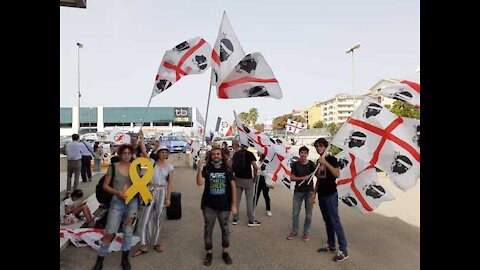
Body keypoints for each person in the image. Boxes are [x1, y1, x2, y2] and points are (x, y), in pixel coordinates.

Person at [92, 144, 138, 270]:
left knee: (128, 232)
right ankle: (100, 260)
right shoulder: (113, 167)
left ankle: (125, 259)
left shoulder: (135, 167)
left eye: (129, 153)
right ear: (120, 154)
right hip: (117, 202)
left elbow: (141, 183)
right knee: (109, 232)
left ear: (132, 154)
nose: (127, 155)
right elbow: (105, 186)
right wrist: (117, 193)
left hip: (132, 203)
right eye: (124, 153)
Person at [132, 132, 174, 256]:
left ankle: (156, 242)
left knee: (159, 218)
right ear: (158, 153)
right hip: (149, 192)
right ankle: (143, 244)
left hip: (162, 192)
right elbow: (144, 151)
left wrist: (168, 198)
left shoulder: (170, 167)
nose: (164, 154)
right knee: (145, 218)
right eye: (162, 152)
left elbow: (170, 183)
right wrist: (142, 138)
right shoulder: (151, 163)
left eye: (166, 152)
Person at [196, 147, 237, 266]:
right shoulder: (207, 169)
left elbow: (233, 186)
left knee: (225, 229)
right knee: (208, 229)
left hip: (224, 206)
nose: (216, 156)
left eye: (218, 154)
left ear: (221, 156)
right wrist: (199, 168)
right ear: (210, 156)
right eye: (213, 154)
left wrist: (234, 205)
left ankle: (225, 252)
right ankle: (209, 252)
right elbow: (199, 183)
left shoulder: (227, 170)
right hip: (209, 206)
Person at [310, 138, 348, 262]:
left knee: (335, 222)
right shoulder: (318, 161)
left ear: (326, 147)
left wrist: (325, 162)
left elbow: (337, 174)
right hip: (321, 195)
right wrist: (314, 194)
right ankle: (331, 245)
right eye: (316, 146)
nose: (318, 148)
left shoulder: (331, 159)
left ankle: (344, 250)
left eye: (320, 146)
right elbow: (319, 180)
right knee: (327, 221)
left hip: (331, 195)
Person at [287, 146, 316, 241]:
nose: (303, 154)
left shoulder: (312, 164)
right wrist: (302, 178)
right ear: (299, 154)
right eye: (301, 153)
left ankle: (306, 233)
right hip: (298, 192)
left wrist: (321, 165)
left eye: (305, 153)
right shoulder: (295, 164)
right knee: (295, 213)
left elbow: (319, 174)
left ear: (307, 154)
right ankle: (294, 230)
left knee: (308, 214)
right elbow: (291, 177)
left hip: (309, 192)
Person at [231, 144, 261, 227]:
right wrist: (255, 177)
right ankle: (251, 220)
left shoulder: (236, 154)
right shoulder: (250, 154)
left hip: (237, 179)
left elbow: (230, 165)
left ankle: (235, 218)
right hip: (248, 180)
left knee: (236, 200)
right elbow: (255, 167)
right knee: (249, 201)